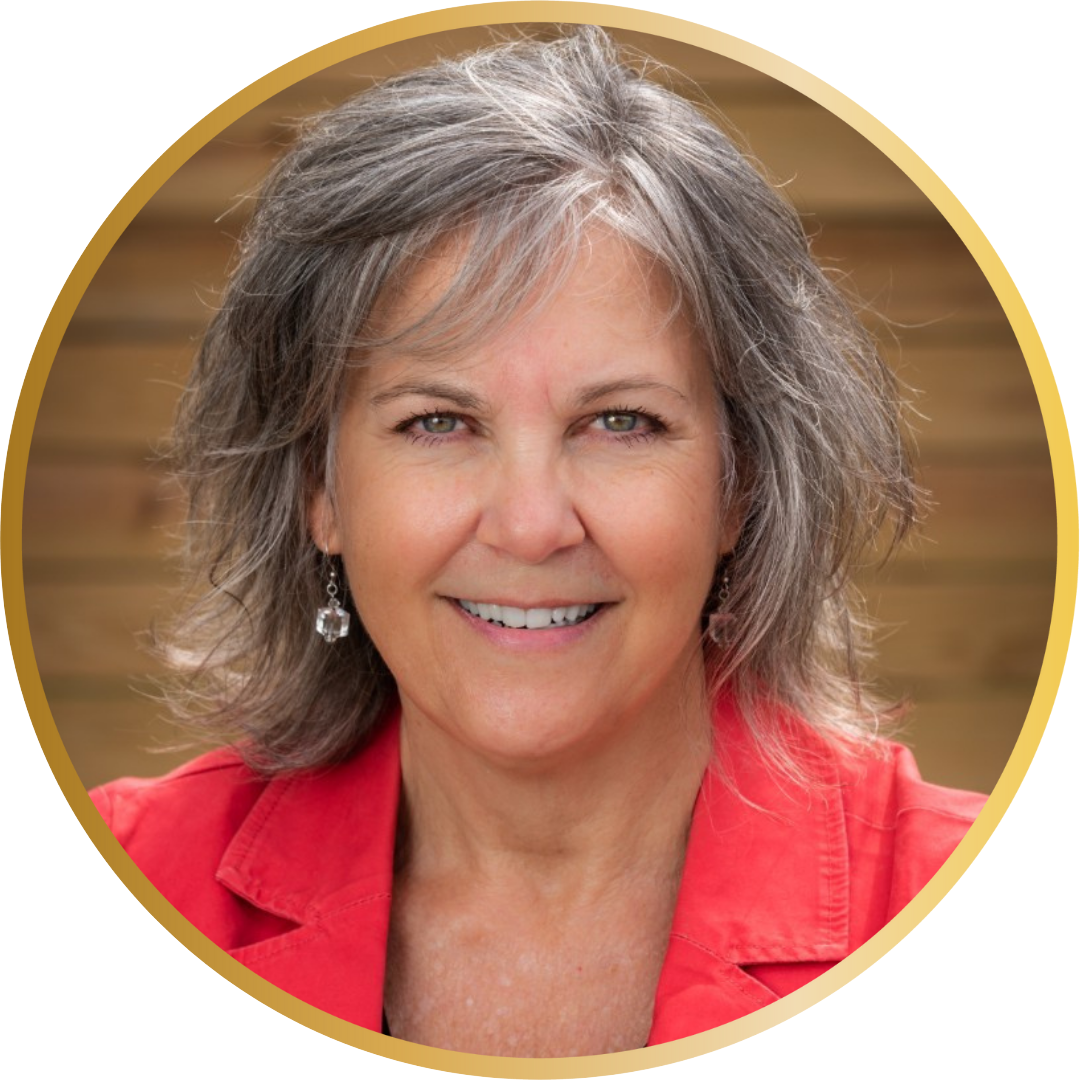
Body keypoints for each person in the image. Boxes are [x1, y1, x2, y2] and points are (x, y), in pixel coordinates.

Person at [90, 28, 984, 1056]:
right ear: (317, 488)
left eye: (619, 423)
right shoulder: (116, 894)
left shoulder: (965, 931)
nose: (529, 524)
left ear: (741, 483)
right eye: (438, 422)